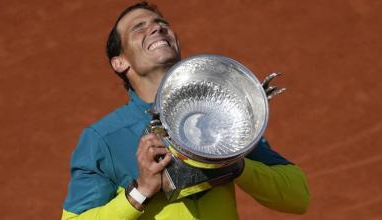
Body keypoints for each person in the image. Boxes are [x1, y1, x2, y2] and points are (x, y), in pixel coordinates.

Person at [62, 2, 310, 219]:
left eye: (161, 22)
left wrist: (234, 163)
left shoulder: (217, 114)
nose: (157, 27)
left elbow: (298, 197)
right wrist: (142, 190)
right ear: (120, 61)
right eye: (139, 27)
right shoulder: (104, 139)